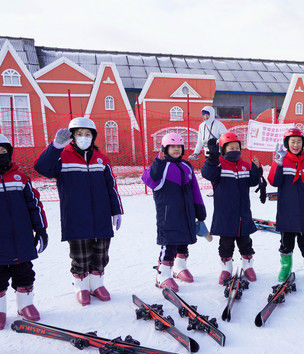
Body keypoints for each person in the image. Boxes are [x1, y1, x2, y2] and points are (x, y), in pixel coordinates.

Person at [34, 118, 123, 306]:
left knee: (101, 253)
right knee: (80, 255)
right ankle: (81, 286)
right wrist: (55, 147)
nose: (84, 137)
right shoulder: (62, 157)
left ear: (93, 137)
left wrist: (116, 210)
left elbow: (111, 186)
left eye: (87, 134)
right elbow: (41, 168)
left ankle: (97, 284)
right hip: (75, 216)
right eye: (79, 134)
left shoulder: (101, 159)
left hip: (101, 215)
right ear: (72, 137)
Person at [141, 132, 206, 292]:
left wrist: (199, 210)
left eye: (179, 146)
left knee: (184, 241)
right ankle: (162, 275)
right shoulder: (161, 166)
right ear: (165, 149)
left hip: (187, 213)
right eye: (172, 147)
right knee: (169, 243)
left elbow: (195, 189)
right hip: (168, 215)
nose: (176, 149)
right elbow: (148, 179)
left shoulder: (186, 166)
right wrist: (158, 162)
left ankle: (179, 267)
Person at [201, 132, 262, 285]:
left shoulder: (244, 165)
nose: (234, 150)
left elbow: (252, 181)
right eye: (230, 148)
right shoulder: (219, 165)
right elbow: (207, 173)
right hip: (225, 215)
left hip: (243, 214)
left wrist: (256, 169)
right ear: (223, 150)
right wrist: (212, 159)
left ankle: (248, 266)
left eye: (237, 147)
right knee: (226, 244)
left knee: (246, 243)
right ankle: (226, 268)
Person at [0, 134, 47, 328]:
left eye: (3, 151)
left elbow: (34, 205)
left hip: (22, 239)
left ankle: (25, 304)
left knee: (25, 273)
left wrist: (40, 228)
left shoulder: (20, 178)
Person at [268, 128, 304, 283]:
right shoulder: (282, 160)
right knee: (286, 243)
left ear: (303, 144)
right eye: (292, 142)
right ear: (287, 143)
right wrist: (277, 163)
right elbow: (273, 181)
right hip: (287, 210)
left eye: (299, 142)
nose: (296, 145)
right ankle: (285, 267)